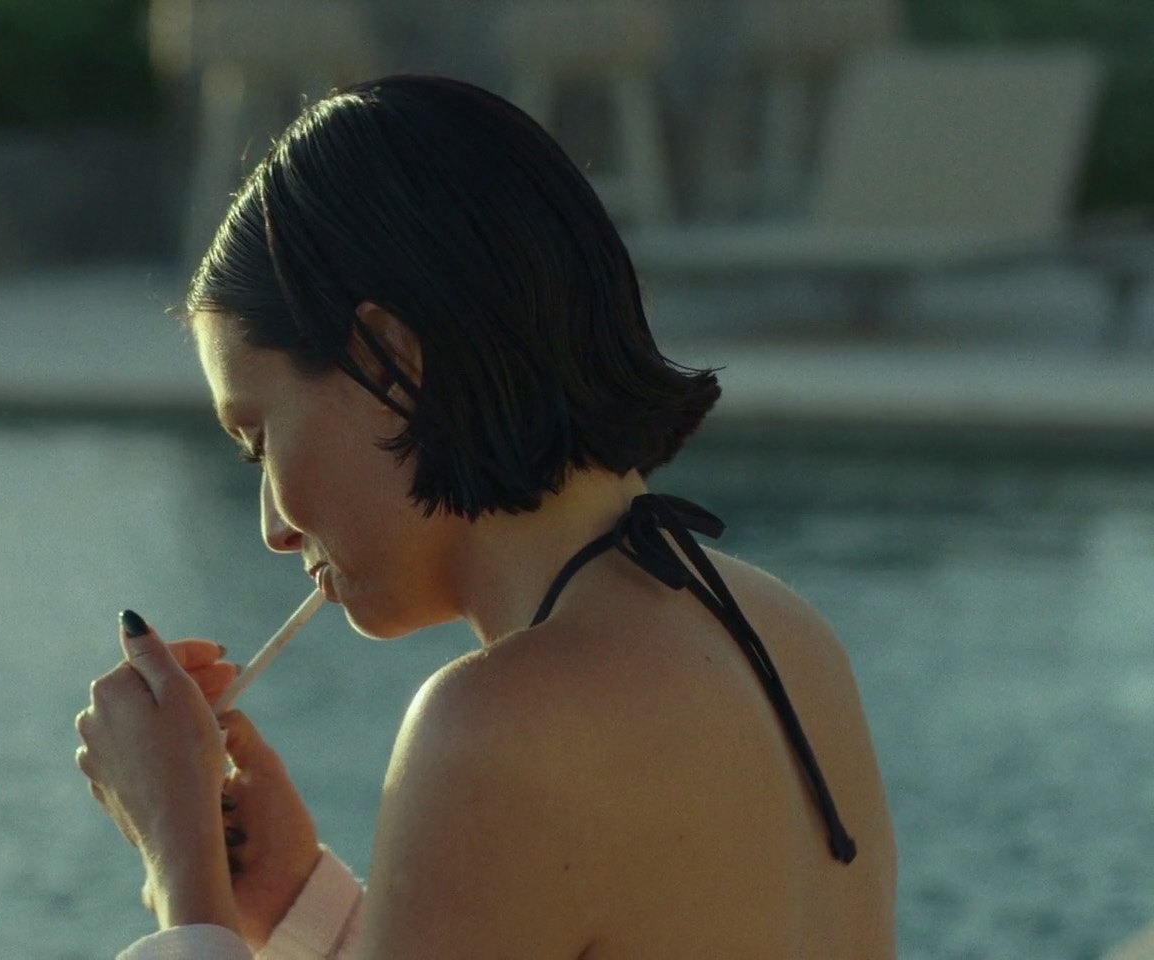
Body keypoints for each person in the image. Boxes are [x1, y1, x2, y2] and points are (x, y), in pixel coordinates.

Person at [73, 74, 897, 958]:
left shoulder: (496, 728)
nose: (273, 525)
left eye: (259, 440)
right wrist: (296, 900)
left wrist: (183, 873)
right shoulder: (786, 635)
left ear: (388, 359)